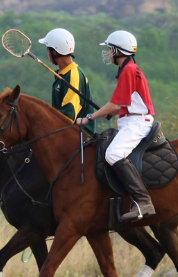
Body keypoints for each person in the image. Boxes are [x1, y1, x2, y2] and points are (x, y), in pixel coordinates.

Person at [75, 30, 155, 222]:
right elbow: (120, 105)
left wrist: (88, 118)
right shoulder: (127, 69)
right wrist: (109, 112)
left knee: (113, 154)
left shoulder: (128, 70)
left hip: (138, 122)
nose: (108, 53)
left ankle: (143, 201)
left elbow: (115, 105)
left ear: (118, 51)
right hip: (130, 119)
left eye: (110, 49)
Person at [38, 28, 95, 136]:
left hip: (79, 136)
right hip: (65, 132)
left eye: (48, 50)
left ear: (54, 52)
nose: (47, 54)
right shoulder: (63, 74)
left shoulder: (73, 75)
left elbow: (68, 115)